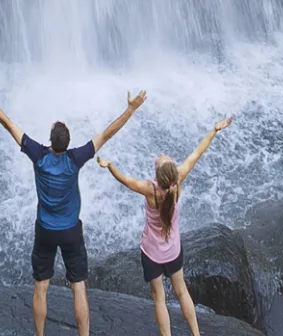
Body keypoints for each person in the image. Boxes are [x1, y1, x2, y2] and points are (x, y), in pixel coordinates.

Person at [0, 72, 148, 336]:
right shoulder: (75, 158)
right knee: (79, 286)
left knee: (41, 286)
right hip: (70, 232)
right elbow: (108, 133)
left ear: (51, 141)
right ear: (67, 144)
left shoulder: (38, 155)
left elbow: (7, 123)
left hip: (45, 229)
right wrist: (130, 109)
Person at [95, 115, 233, 336]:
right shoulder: (177, 182)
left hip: (151, 253)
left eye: (161, 159)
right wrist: (215, 130)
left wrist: (110, 166)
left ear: (157, 175)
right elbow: (198, 152)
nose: (161, 155)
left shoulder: (149, 190)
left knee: (159, 298)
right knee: (182, 291)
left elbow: (126, 181)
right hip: (172, 251)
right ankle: (196, 334)